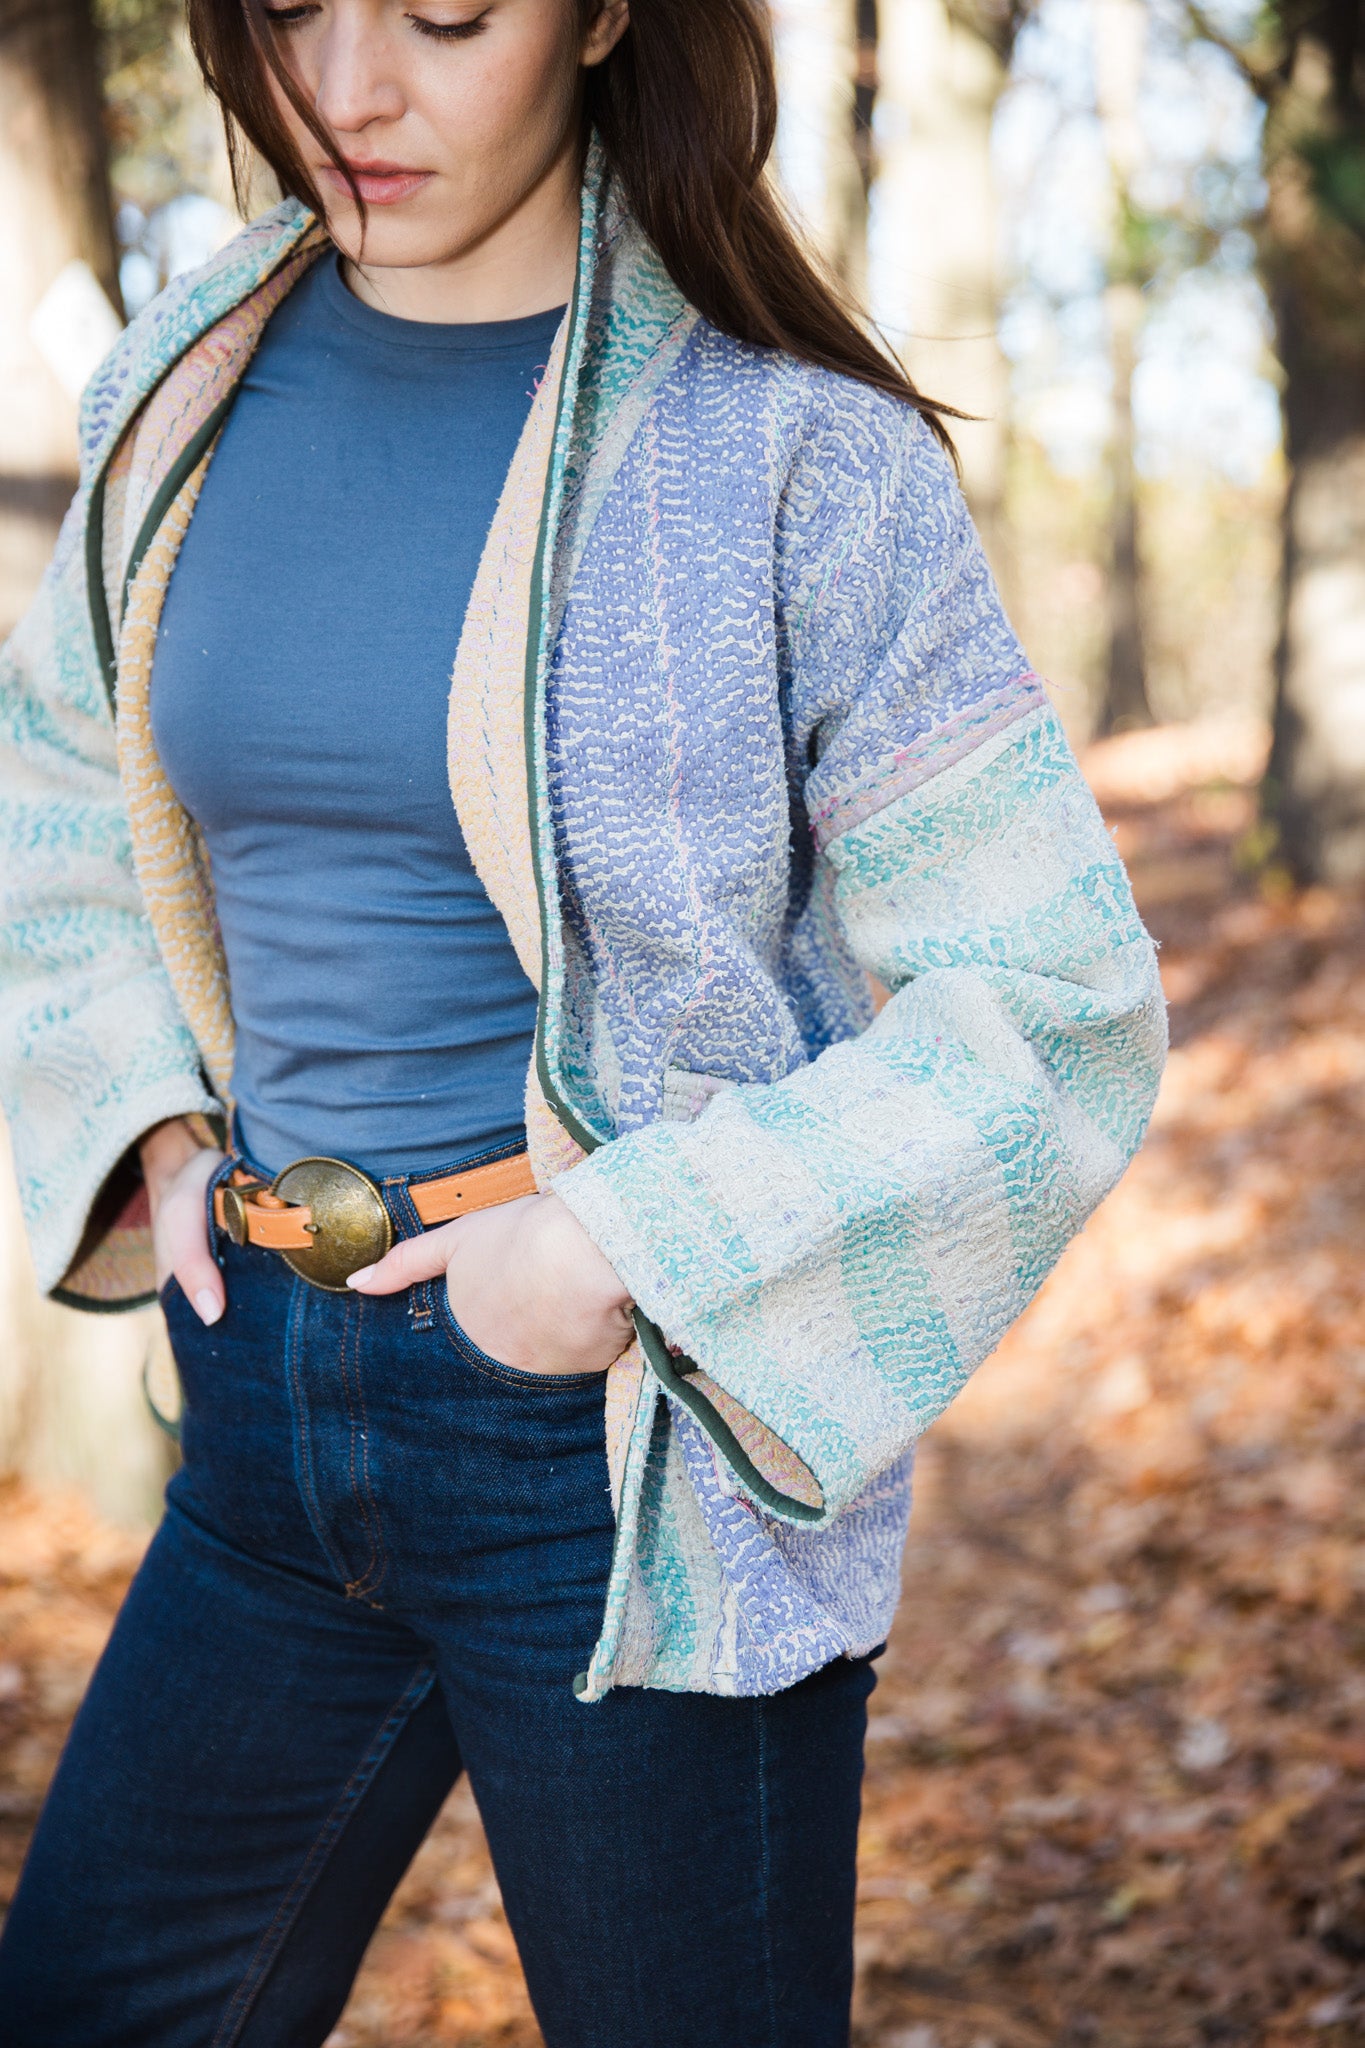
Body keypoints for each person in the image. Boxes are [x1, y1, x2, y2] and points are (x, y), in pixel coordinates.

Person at [0, 0, 1166, 2041]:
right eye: (290, 9)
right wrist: (147, 1131)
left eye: (446, 14)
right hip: (261, 1406)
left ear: (606, 14)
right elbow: (60, 797)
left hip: (621, 1445)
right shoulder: (172, 389)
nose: (348, 91)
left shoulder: (799, 452)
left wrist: (620, 1250)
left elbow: (1048, 1003)